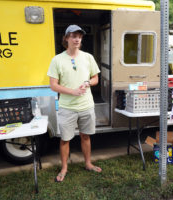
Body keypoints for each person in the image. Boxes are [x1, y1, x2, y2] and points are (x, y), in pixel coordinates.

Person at [47, 24, 102, 183]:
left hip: (86, 105)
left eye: (79, 35)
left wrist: (87, 82)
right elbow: (53, 85)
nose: (77, 38)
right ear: (66, 38)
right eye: (73, 35)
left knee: (85, 136)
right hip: (67, 107)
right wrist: (73, 91)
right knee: (65, 139)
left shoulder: (88, 57)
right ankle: (64, 167)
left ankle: (88, 163)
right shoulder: (57, 60)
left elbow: (96, 78)